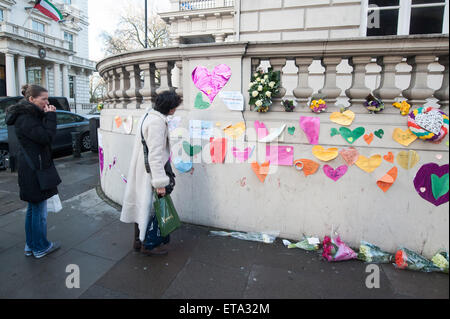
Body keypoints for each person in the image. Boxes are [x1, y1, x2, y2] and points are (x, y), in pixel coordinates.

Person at [121, 90, 181, 256]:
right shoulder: (157, 123)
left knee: (142, 205)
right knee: (151, 208)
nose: (176, 110)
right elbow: (155, 156)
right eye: (175, 107)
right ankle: (149, 244)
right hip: (151, 172)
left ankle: (138, 241)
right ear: (170, 109)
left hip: (142, 169)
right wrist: (160, 183)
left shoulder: (148, 116)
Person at [5, 84, 61, 259]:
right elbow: (46, 137)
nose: (47, 102)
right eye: (43, 99)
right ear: (31, 99)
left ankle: (31, 245)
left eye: (47, 98)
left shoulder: (29, 115)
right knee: (38, 212)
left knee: (33, 209)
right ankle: (40, 247)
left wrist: (45, 116)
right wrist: (51, 116)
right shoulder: (26, 118)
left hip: (31, 168)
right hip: (34, 170)